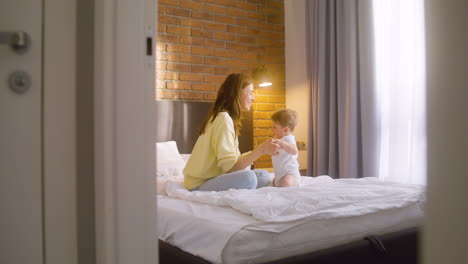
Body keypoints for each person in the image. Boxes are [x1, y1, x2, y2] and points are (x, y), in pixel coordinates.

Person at [183, 73, 280, 191]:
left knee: (264, 176)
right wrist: (262, 149)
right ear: (237, 93)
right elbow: (231, 167)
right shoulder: (223, 119)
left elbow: (234, 161)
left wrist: (262, 148)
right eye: (250, 93)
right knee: (249, 178)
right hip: (199, 184)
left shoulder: (227, 118)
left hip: (217, 177)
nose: (253, 98)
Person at [270, 109, 301, 187]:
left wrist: (282, 143)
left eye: (274, 127)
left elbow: (294, 151)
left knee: (286, 183)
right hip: (279, 174)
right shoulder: (279, 139)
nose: (272, 129)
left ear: (286, 130)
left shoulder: (288, 139)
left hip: (290, 174)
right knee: (274, 182)